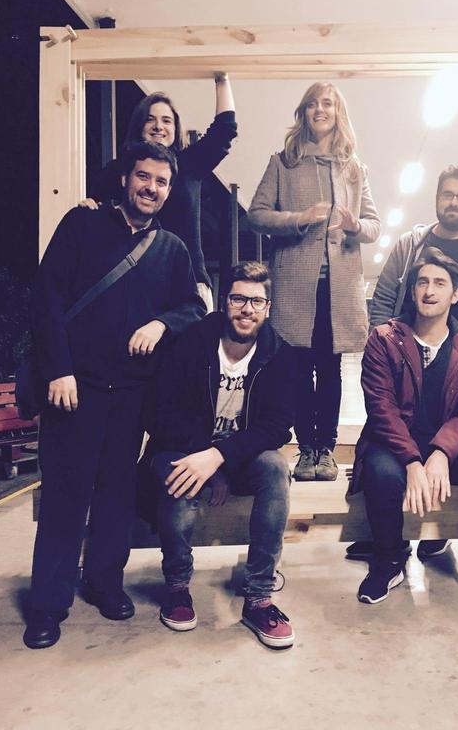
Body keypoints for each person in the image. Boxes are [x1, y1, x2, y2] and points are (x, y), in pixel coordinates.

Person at [23, 141, 206, 650]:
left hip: (131, 396)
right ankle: (47, 605)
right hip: (73, 389)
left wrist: (162, 322)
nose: (152, 188)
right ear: (125, 179)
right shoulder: (81, 225)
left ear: (169, 191)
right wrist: (58, 369)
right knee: (65, 498)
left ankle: (104, 583)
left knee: (116, 495)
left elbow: (193, 306)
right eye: (144, 177)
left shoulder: (171, 249)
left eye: (162, 182)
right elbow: (46, 298)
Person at [352, 248, 458, 612]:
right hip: (395, 441)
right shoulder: (384, 338)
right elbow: (381, 408)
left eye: (440, 283)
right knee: (381, 473)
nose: (429, 290)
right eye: (422, 282)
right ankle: (389, 560)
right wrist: (412, 460)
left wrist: (441, 452)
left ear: (454, 294)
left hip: (450, 443)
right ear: (412, 291)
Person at [143, 262, 296, 649]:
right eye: (238, 299)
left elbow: (278, 427)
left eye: (256, 301)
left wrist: (219, 457)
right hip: (181, 449)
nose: (247, 309)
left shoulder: (279, 354)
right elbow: (158, 413)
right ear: (224, 302)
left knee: (276, 469)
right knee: (180, 478)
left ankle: (259, 598)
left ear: (268, 307)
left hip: (235, 457)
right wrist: (206, 460)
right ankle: (177, 586)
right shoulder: (190, 343)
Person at [248, 82, 380, 482]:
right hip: (295, 286)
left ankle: (327, 449)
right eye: (312, 105)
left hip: (339, 289)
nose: (320, 110)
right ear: (303, 113)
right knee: (298, 368)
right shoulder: (283, 163)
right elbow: (256, 214)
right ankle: (306, 449)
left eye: (328, 104)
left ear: (338, 114)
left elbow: (374, 225)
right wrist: (299, 219)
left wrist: (357, 226)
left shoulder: (354, 168)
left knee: (331, 368)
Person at [82, 74, 237, 311]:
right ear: (139, 126)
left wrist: (222, 80)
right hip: (137, 281)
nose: (158, 126)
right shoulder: (122, 168)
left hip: (188, 281)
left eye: (166, 120)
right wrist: (89, 205)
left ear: (176, 128)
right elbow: (95, 203)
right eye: (150, 119)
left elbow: (224, 129)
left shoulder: (190, 164)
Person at [369, 164, 458, 342]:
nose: (454, 202)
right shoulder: (409, 245)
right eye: (447, 194)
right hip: (407, 354)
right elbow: (383, 301)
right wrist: (381, 347)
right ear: (437, 198)